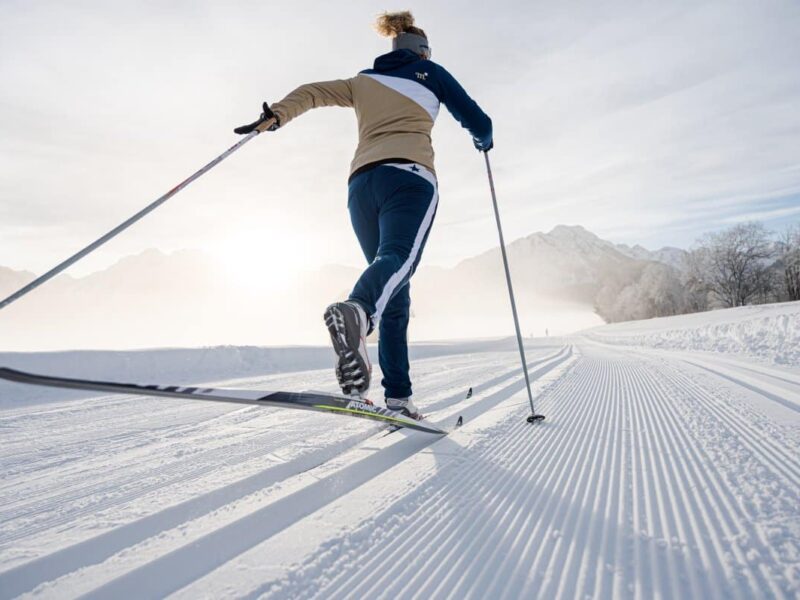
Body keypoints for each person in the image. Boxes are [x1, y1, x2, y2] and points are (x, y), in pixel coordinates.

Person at [235, 11, 492, 419]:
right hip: (409, 178)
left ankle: (398, 398)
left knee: (394, 287)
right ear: (423, 51)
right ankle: (357, 313)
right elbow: (479, 120)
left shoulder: (363, 81)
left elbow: (313, 91)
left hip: (361, 187)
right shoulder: (431, 72)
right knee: (398, 260)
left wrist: (278, 115)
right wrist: (485, 140)